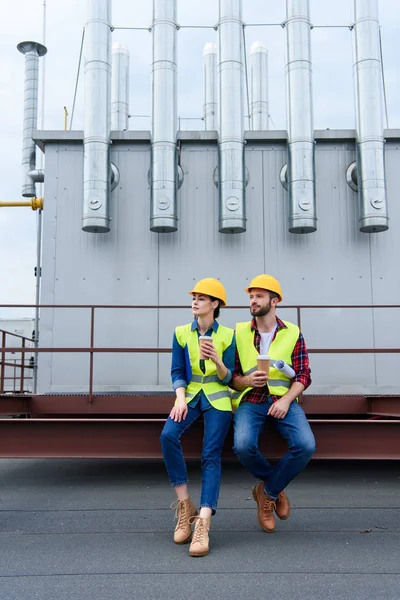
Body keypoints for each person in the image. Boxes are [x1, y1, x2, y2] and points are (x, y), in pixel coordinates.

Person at [231, 274, 316, 533]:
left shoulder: (292, 332)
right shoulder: (238, 333)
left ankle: (266, 493)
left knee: (305, 445)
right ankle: (273, 488)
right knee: (243, 446)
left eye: (259, 296)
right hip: (251, 400)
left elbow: (304, 375)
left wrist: (287, 400)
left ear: (274, 300)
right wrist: (246, 381)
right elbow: (231, 379)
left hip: (283, 400)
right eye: (251, 297)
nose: (253, 301)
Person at [160, 278, 235, 557]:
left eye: (202, 298)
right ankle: (184, 506)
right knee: (168, 435)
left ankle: (203, 522)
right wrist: (179, 398)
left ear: (215, 305)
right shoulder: (181, 332)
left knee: (210, 454)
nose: (195, 301)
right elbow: (177, 371)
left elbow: (230, 378)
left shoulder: (229, 335)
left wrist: (217, 359)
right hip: (189, 395)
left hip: (217, 397)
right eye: (194, 297)